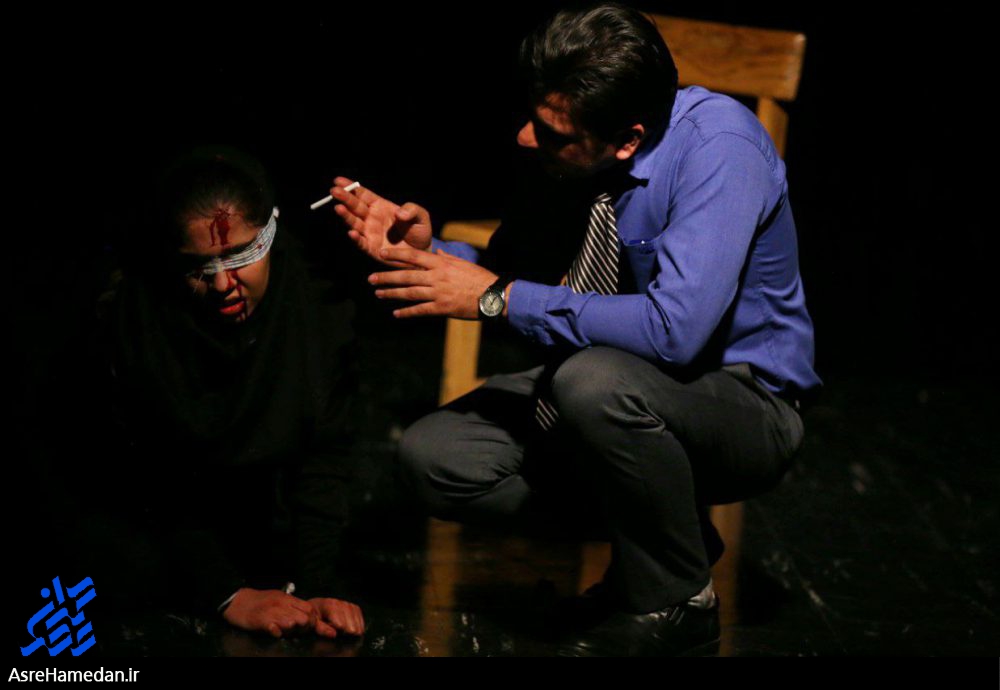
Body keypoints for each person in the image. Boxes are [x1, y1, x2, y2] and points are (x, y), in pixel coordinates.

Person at [329, 3, 820, 656]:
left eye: (551, 131)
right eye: (533, 117)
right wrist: (431, 254)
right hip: (619, 386)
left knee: (591, 382)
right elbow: (523, 273)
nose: (525, 138)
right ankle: (668, 536)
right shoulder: (577, 157)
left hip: (742, 402)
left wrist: (499, 300)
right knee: (437, 459)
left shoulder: (719, 149)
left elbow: (674, 331)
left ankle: (680, 600)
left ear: (628, 139)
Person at [54, 148, 365, 641]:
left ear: (270, 233)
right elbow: (144, 476)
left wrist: (317, 585)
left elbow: (325, 455)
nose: (222, 283)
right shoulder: (132, 323)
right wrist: (226, 593)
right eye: (198, 266)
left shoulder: (315, 308)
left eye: (241, 256)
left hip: (264, 528)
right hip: (156, 528)